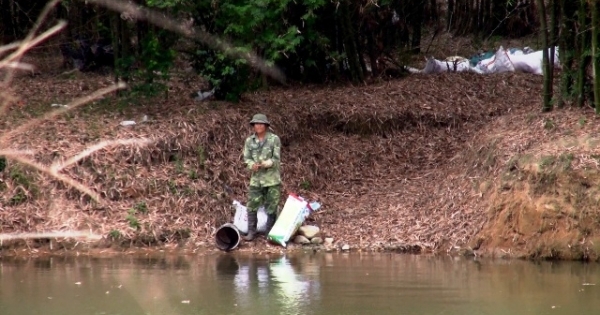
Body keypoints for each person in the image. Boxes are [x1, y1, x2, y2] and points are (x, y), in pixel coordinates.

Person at [242, 113, 282, 241]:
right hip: (256, 179)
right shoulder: (249, 141)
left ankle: (269, 232)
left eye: (260, 124)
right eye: (256, 124)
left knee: (272, 205)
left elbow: (276, 158)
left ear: (266, 125)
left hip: (271, 179)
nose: (258, 126)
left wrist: (269, 163)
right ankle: (251, 232)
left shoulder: (274, 139)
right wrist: (251, 165)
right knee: (252, 204)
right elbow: (246, 158)